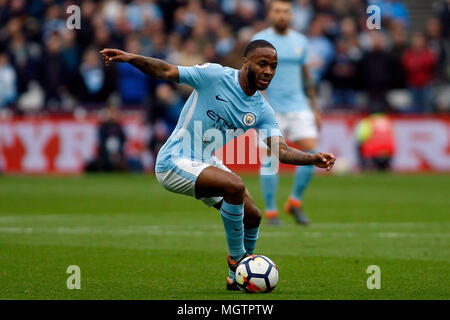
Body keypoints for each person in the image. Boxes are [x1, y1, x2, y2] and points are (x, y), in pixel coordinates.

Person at [100, 40, 335, 291]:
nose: (268, 71)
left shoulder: (262, 110)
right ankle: (237, 262)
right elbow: (167, 71)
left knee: (253, 215)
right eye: (262, 63)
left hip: (205, 162)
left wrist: (312, 158)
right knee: (234, 185)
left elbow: (282, 150)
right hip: (173, 160)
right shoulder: (214, 75)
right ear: (246, 63)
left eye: (273, 66)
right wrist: (129, 57)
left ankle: (237, 278)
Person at [251, 0, 321, 225]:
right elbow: (249, 75)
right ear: (270, 14)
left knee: (311, 151)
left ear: (291, 15)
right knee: (271, 159)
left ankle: (294, 202)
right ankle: (271, 212)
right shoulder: (260, 40)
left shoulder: (300, 40)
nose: (282, 15)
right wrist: (258, 104)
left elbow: (306, 76)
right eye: (278, 11)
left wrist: (315, 107)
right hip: (270, 108)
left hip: (299, 105)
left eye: (286, 12)